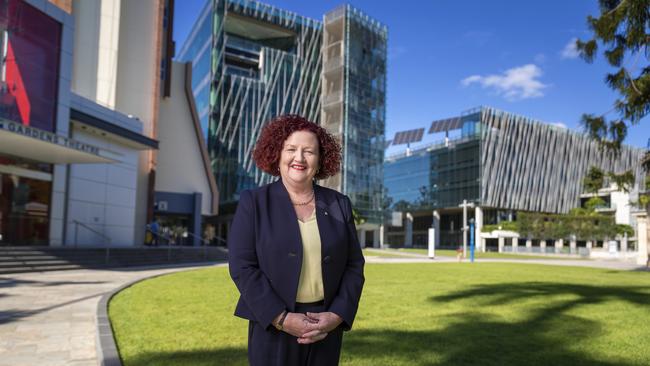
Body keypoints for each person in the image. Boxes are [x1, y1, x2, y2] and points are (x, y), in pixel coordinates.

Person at [228, 115, 365, 366]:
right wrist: (281, 318)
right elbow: (242, 267)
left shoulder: (339, 204)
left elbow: (354, 266)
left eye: (309, 151)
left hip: (325, 326)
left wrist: (336, 315)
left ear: (320, 159)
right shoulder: (254, 202)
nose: (299, 158)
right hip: (272, 326)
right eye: (291, 149)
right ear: (277, 154)